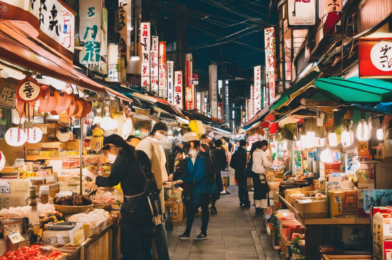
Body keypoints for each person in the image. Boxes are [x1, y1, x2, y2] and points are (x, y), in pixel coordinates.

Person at [95, 134, 152, 260]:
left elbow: (112, 180)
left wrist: (96, 179)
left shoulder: (123, 158)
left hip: (133, 208)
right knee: (139, 245)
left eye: (108, 149)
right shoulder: (130, 153)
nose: (108, 152)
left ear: (113, 147)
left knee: (129, 248)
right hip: (141, 204)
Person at [136, 123, 170, 260]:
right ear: (155, 131)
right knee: (152, 225)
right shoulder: (146, 144)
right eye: (162, 132)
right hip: (149, 192)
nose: (164, 136)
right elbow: (142, 168)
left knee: (157, 224)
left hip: (156, 190)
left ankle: (159, 255)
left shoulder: (157, 145)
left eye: (166, 134)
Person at [178, 135, 215, 240]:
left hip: (204, 189)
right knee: (191, 209)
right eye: (187, 148)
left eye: (191, 147)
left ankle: (203, 232)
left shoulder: (202, 157)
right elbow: (187, 172)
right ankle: (187, 232)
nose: (189, 150)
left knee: (204, 209)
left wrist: (186, 181)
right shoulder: (190, 158)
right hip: (195, 189)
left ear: (196, 146)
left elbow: (200, 174)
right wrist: (180, 179)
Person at [251, 140, 273, 217]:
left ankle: (258, 209)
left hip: (254, 175)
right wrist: (271, 162)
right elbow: (266, 164)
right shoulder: (261, 152)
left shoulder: (254, 152)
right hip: (260, 174)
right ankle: (263, 209)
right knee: (264, 191)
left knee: (257, 191)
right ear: (263, 146)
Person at [230, 139, 251, 208]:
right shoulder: (246, 153)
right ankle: (246, 201)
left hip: (238, 172)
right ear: (245, 144)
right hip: (245, 172)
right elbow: (249, 163)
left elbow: (231, 164)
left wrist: (237, 167)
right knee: (245, 186)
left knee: (240, 187)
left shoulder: (235, 153)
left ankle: (242, 201)